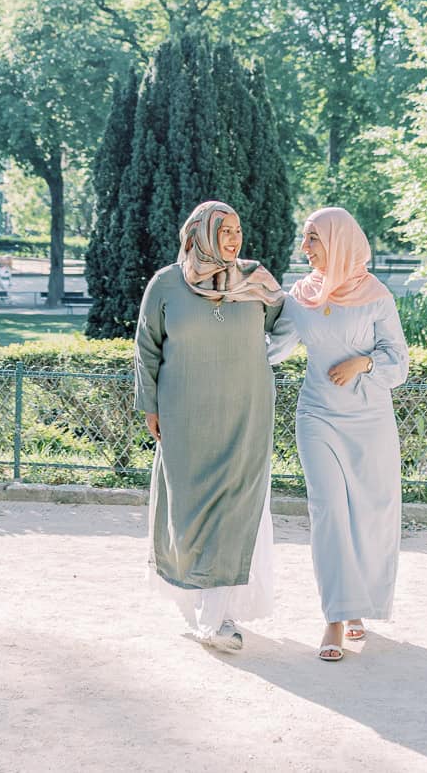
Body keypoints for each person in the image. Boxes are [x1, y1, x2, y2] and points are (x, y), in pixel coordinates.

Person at [134, 199, 287, 652]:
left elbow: (290, 326)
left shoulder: (256, 280)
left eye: (237, 229)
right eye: (223, 230)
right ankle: (198, 604)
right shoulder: (166, 284)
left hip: (246, 413)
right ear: (199, 234)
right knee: (190, 507)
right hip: (183, 418)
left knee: (236, 506)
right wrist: (150, 406)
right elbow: (146, 349)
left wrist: (265, 361)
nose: (233, 238)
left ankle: (219, 617)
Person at [269, 205, 410, 662]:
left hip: (369, 421)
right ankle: (334, 615)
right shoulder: (299, 296)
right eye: (305, 238)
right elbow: (273, 348)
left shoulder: (376, 296)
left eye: (313, 239)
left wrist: (363, 363)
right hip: (317, 417)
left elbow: (399, 362)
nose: (304, 248)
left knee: (368, 513)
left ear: (339, 242)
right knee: (329, 510)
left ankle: (357, 609)